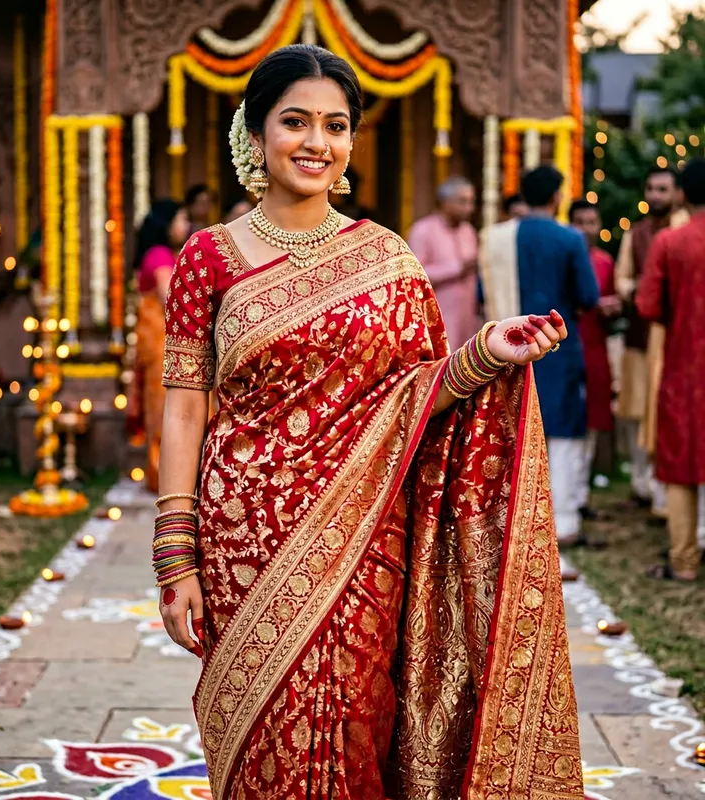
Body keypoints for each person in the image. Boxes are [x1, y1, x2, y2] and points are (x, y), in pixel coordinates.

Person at [154, 45, 581, 800]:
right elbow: (186, 406)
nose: (317, 142)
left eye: (336, 125)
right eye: (295, 121)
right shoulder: (207, 259)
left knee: (353, 713)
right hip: (240, 539)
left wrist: (489, 350)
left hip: (362, 533)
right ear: (254, 134)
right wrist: (175, 554)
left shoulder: (388, 258)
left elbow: (418, 395)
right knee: (256, 734)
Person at [479, 166, 599, 543]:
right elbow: (589, 296)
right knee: (561, 432)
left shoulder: (494, 238)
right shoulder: (569, 239)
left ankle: (509, 520)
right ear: (555, 198)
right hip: (556, 348)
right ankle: (561, 522)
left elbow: (484, 296)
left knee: (511, 428)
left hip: (504, 349)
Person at [636, 158, 705, 582]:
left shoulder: (670, 242)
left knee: (681, 465)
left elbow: (646, 306)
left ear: (681, 194)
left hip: (684, 368)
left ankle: (683, 562)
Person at [615, 166, 687, 509]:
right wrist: (644, 288)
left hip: (678, 339)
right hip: (642, 334)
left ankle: (667, 493)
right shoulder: (636, 233)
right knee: (637, 409)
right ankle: (642, 483)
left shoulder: (686, 229)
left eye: (663, 189)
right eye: (651, 189)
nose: (655, 195)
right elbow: (622, 280)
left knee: (667, 411)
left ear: (677, 193)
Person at [130, 199, 190, 493]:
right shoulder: (159, 256)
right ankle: (165, 478)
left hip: (161, 345)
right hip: (162, 346)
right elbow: (173, 300)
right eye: (181, 219)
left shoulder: (163, 254)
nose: (186, 225)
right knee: (165, 410)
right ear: (167, 225)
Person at [569, 199, 621, 516]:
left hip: (596, 344)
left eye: (592, 222)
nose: (587, 229)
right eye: (581, 222)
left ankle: (581, 490)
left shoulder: (605, 262)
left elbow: (610, 300)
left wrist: (612, 306)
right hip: (572, 343)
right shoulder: (564, 257)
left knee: (593, 419)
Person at [407, 177, 479, 350]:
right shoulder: (423, 230)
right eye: (463, 202)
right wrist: (457, 269)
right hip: (436, 318)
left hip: (468, 318)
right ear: (445, 202)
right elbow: (415, 274)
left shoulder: (468, 231)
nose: (469, 208)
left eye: (471, 202)